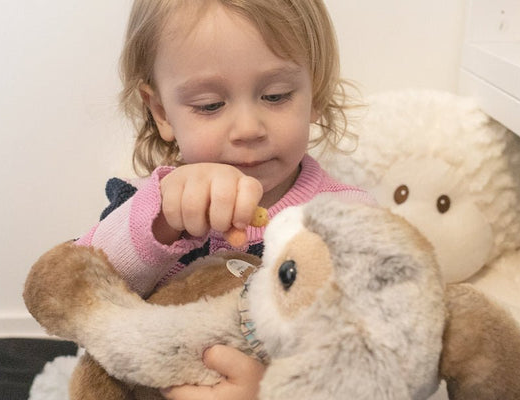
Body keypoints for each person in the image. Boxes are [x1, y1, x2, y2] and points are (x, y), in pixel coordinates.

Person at [72, 0, 373, 398]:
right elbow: (77, 293)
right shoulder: (150, 206)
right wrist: (161, 222)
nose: (248, 129)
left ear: (314, 93)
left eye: (277, 96)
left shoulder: (347, 220)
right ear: (162, 112)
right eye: (210, 105)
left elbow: (376, 361)